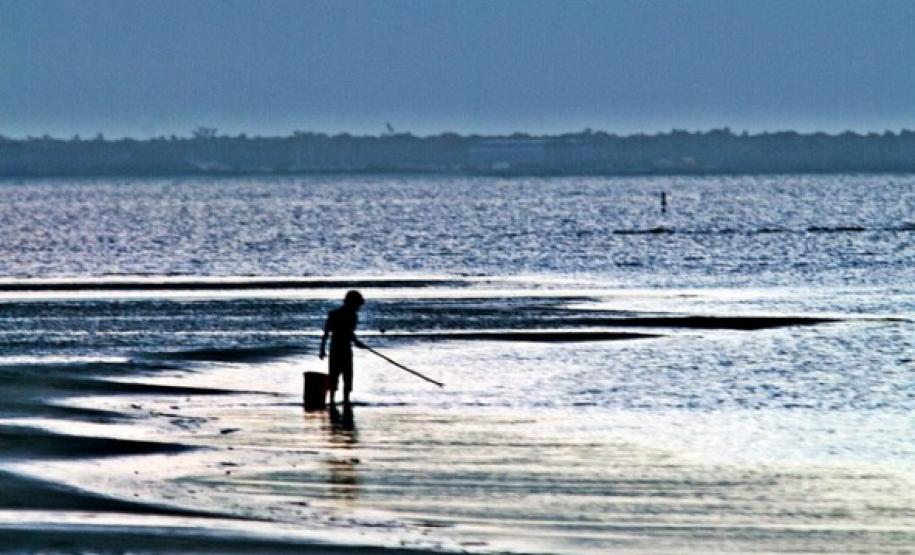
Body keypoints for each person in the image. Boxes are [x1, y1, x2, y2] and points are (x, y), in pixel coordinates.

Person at [319, 290, 366, 406]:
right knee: (342, 377)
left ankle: (338, 401)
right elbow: (346, 333)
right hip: (340, 349)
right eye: (358, 305)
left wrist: (322, 349)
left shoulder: (336, 314)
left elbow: (328, 333)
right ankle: (341, 400)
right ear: (352, 303)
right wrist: (356, 342)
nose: (358, 308)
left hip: (339, 348)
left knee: (341, 377)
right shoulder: (346, 315)